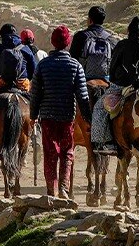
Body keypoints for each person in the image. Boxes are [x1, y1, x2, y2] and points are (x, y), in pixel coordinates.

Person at [30, 25, 92, 198]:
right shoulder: (75, 66)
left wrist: (33, 116)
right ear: (67, 43)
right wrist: (88, 119)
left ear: (53, 42)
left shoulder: (42, 65)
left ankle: (52, 190)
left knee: (50, 153)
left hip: (47, 117)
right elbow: (83, 96)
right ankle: (64, 189)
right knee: (67, 153)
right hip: (67, 117)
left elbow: (35, 94)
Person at [91, 16, 139, 155]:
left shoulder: (123, 45)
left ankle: (105, 143)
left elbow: (112, 68)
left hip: (123, 86)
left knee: (99, 108)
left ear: (129, 30)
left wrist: (113, 81)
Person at [69, 5, 118, 80]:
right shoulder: (110, 39)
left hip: (83, 79)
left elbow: (72, 59)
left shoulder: (80, 36)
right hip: (105, 79)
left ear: (90, 20)